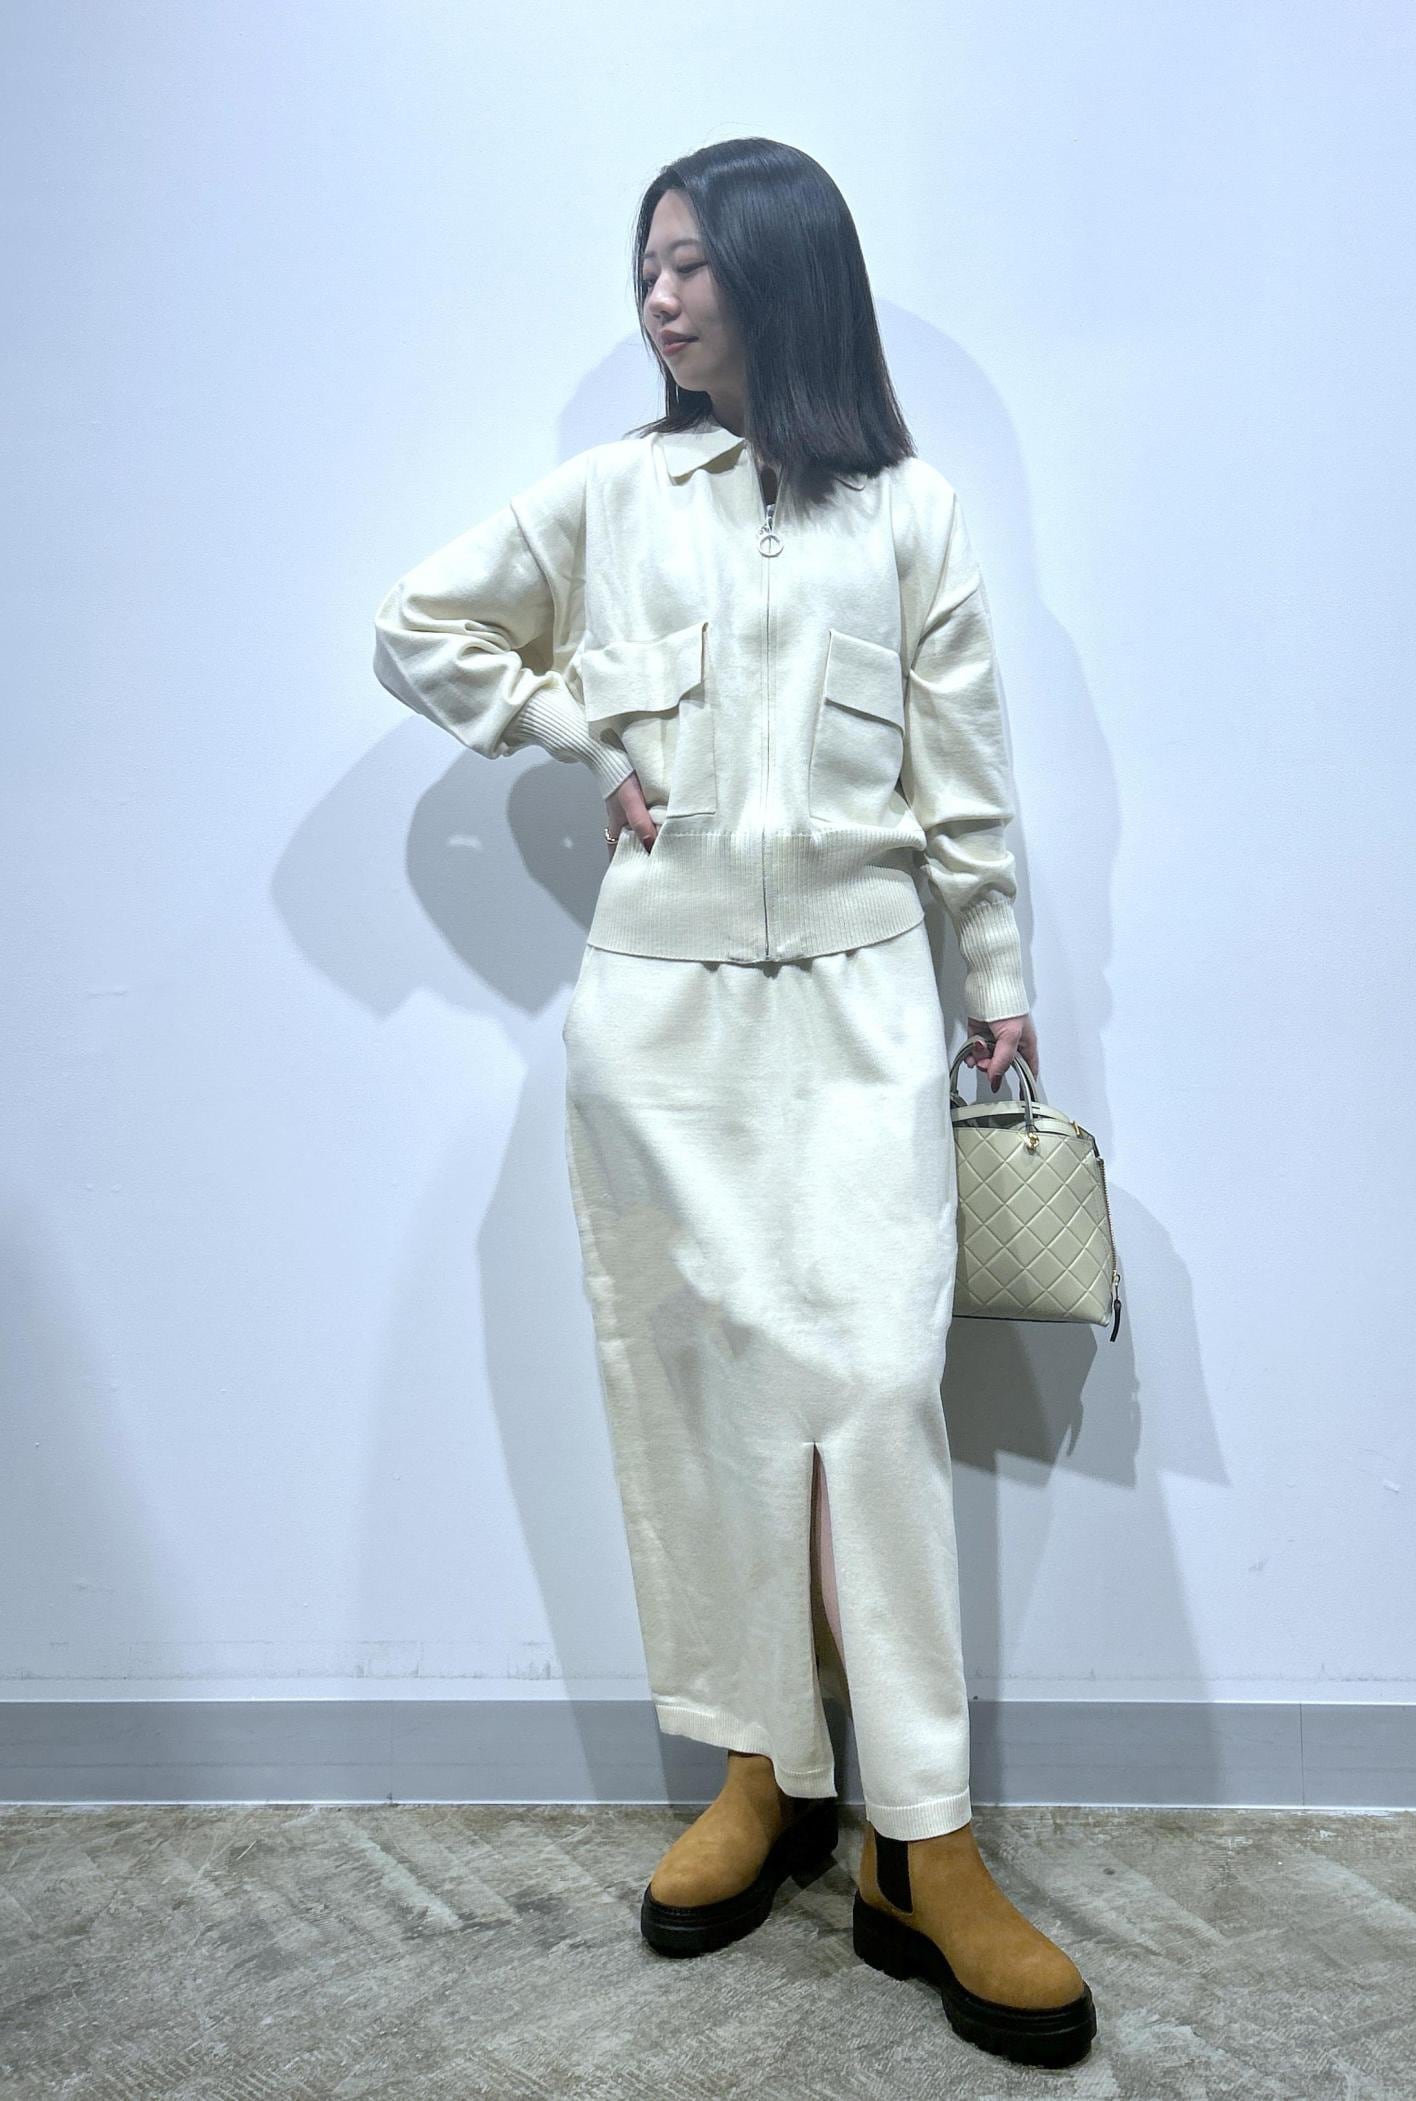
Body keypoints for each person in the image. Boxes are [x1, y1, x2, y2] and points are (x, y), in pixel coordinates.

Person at [372, 136, 1095, 2070]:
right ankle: (761, 1774)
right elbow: (418, 624)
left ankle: (923, 1837)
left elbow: (966, 785)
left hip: (861, 1010)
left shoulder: (913, 516)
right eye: (649, 266)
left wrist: (998, 991)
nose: (662, 296)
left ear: (785, 277)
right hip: (659, 1024)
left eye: (693, 263)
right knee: (700, 1405)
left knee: (872, 1397)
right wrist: (559, 724)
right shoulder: (615, 498)